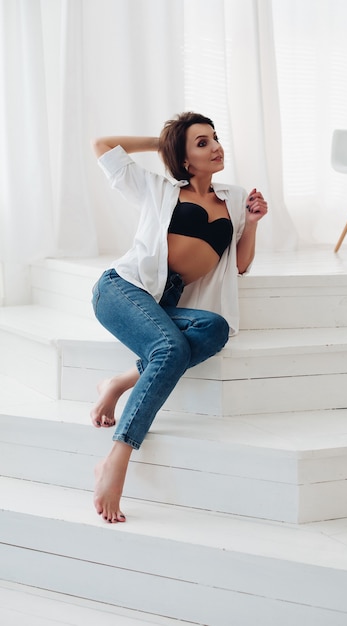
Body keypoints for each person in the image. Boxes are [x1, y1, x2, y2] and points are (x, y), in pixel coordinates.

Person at [90, 112, 268, 523]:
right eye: (201, 143)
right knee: (169, 347)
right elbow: (103, 146)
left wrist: (253, 224)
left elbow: (239, 265)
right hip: (122, 287)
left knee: (214, 327)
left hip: (165, 302)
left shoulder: (235, 198)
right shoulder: (158, 188)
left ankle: (119, 381)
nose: (216, 146)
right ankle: (116, 461)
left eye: (215, 138)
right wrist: (162, 143)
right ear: (185, 159)